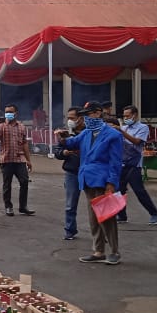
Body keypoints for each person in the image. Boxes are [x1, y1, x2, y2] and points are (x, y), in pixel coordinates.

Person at [57, 102, 123, 265]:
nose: (85, 117)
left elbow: (116, 162)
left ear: (98, 113)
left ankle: (114, 251)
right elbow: (72, 143)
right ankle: (98, 250)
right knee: (94, 217)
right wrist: (62, 136)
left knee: (106, 216)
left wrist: (111, 183)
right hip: (86, 178)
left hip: (102, 179)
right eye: (84, 114)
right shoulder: (87, 132)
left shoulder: (112, 134)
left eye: (88, 114)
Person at [113, 105, 157, 226]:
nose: (125, 118)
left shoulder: (143, 127)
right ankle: (122, 215)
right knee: (119, 190)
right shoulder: (124, 127)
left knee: (138, 190)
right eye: (124, 116)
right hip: (122, 162)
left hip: (134, 163)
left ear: (134, 115)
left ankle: (154, 213)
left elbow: (137, 141)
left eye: (128, 115)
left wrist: (120, 132)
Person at [0, 103, 34, 216]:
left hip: (19, 159)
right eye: (6, 112)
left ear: (16, 113)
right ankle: (8, 206)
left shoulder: (21, 127)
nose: (8, 114)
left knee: (24, 181)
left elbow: (25, 144)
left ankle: (23, 206)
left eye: (10, 112)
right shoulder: (1, 126)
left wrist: (28, 160)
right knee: (7, 184)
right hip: (6, 159)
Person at [53, 107, 83, 241]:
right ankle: (70, 230)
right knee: (70, 204)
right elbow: (57, 151)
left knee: (96, 203)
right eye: (68, 118)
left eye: (73, 118)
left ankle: (100, 232)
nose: (70, 121)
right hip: (72, 172)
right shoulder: (65, 134)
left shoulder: (88, 133)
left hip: (89, 172)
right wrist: (63, 153)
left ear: (81, 118)